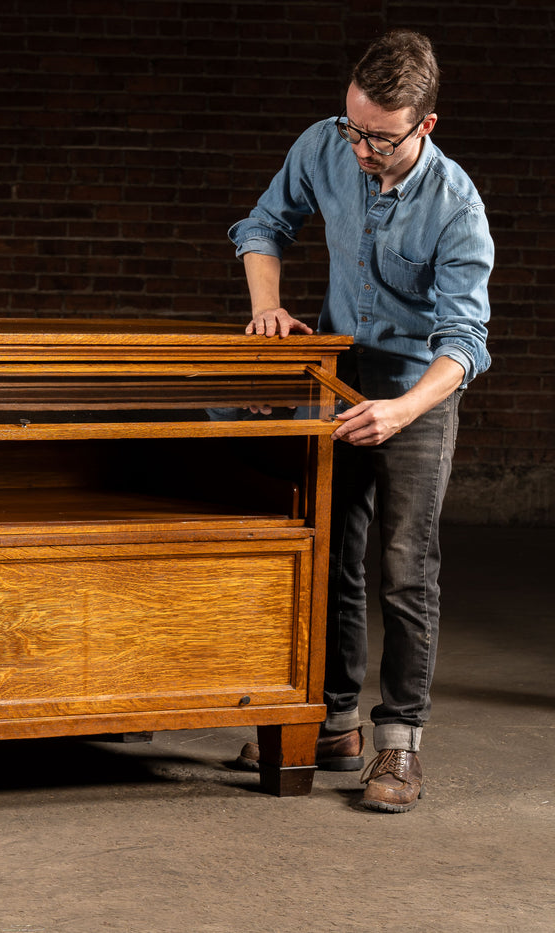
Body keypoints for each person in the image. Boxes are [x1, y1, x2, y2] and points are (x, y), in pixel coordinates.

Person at [227, 28, 493, 812]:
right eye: (354, 129)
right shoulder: (325, 144)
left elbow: (465, 343)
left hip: (417, 393)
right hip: (339, 382)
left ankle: (399, 742)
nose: (360, 149)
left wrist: (402, 411)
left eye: (380, 139)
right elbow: (262, 226)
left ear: (424, 125)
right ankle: (333, 721)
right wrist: (268, 311)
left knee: (406, 568)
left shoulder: (457, 207)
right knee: (331, 555)